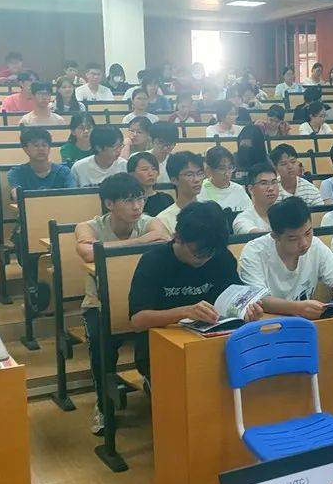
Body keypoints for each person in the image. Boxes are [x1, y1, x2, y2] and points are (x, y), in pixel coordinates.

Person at [75, 173, 169, 434]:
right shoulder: (89, 226)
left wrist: (107, 249)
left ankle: (154, 386)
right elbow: (86, 251)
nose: (137, 206)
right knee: (100, 343)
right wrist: (141, 243)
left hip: (143, 302)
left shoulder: (151, 221)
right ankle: (102, 404)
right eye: (128, 201)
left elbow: (162, 239)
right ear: (109, 204)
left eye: (139, 198)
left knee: (157, 336)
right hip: (100, 304)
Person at [129, 201, 261, 385]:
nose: (205, 259)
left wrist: (247, 310)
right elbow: (137, 321)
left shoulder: (220, 256)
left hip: (212, 343)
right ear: (178, 237)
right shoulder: (154, 261)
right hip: (161, 348)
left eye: (211, 253)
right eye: (198, 254)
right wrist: (184, 312)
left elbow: (233, 296)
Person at [238, 196, 333, 318]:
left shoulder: (316, 246)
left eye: (308, 233)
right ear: (275, 236)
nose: (304, 243)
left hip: (306, 325)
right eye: (293, 238)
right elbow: (260, 300)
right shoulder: (254, 252)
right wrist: (297, 308)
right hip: (270, 326)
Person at [8, 127, 76, 197]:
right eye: (36, 145)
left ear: (49, 148)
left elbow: (73, 195)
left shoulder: (63, 171)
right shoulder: (17, 173)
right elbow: (16, 197)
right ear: (26, 149)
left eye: (44, 145)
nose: (41, 149)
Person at [155, 151, 205, 235]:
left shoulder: (209, 211)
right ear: (174, 180)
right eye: (189, 175)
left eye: (200, 173)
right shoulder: (164, 220)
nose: (196, 179)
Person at [199, 145, 252, 212]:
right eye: (221, 168)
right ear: (209, 170)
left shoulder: (238, 189)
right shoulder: (201, 189)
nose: (227, 173)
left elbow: (250, 215)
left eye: (230, 168)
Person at [232, 163, 280, 234]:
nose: (271, 188)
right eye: (264, 183)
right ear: (251, 189)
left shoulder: (286, 213)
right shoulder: (242, 219)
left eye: (274, 182)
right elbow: (255, 235)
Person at [127, 151, 174, 216]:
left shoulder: (167, 199)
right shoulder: (127, 201)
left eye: (154, 169)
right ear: (131, 174)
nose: (151, 173)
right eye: (145, 169)